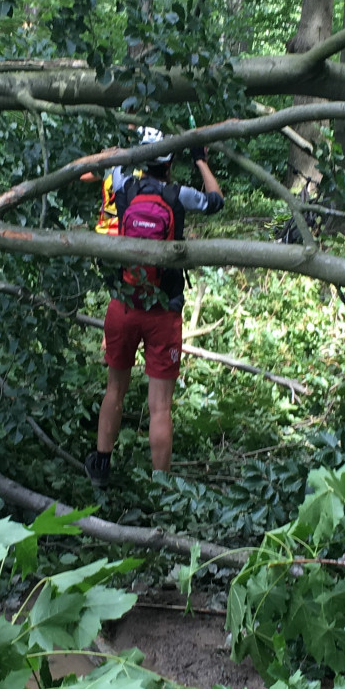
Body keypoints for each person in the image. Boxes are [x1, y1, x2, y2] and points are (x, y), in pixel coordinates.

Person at [85, 140, 223, 490]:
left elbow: (111, 164)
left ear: (142, 161)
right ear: (170, 163)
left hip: (125, 304)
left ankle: (100, 467)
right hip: (164, 310)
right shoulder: (180, 195)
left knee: (114, 389)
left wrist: (120, 149)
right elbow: (215, 201)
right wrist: (201, 160)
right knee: (160, 406)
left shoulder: (124, 187)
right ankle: (162, 489)